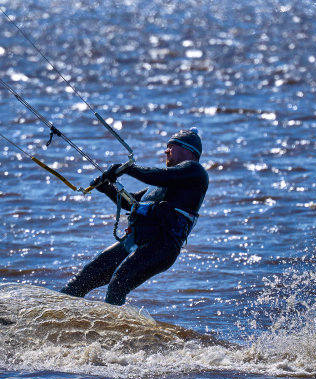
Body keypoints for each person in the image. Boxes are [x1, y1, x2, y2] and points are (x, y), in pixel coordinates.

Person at [60, 128, 209, 305]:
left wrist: (127, 169)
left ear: (188, 150)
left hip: (162, 245)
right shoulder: (162, 184)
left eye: (171, 146)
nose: (165, 151)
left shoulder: (195, 171)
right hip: (135, 241)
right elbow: (130, 203)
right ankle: (55, 317)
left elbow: (157, 176)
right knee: (84, 277)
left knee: (119, 282)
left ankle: (113, 330)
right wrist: (106, 187)